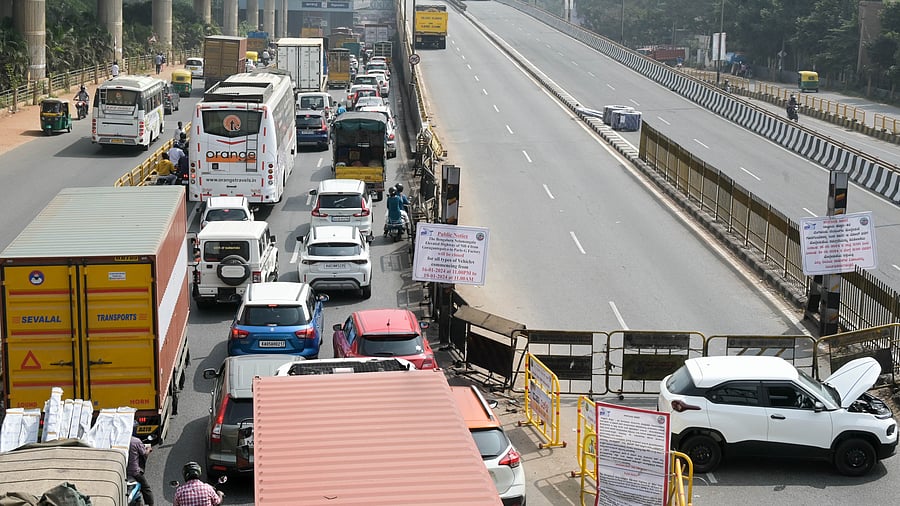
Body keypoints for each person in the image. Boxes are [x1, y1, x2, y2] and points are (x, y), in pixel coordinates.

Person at [127, 422, 154, 506]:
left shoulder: (119, 441)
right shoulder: (136, 441)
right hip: (135, 472)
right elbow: (144, 453)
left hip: (123, 472)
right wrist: (149, 449)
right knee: (146, 488)